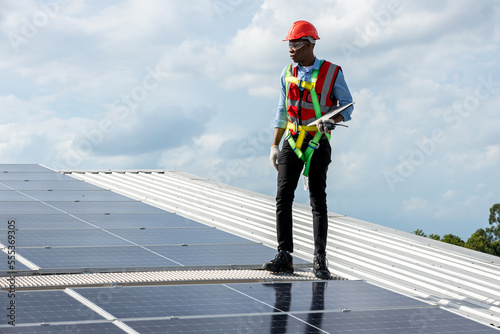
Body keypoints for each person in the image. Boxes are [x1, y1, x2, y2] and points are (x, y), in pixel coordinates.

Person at [263, 20, 354, 279]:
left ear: (310, 44)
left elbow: (347, 106)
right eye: (289, 44)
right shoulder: (286, 73)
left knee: (317, 200)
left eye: (295, 43)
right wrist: (274, 145)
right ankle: (284, 255)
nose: (290, 48)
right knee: (283, 197)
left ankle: (319, 260)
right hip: (292, 140)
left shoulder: (333, 72)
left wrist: (331, 120)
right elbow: (282, 111)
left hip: (317, 141)